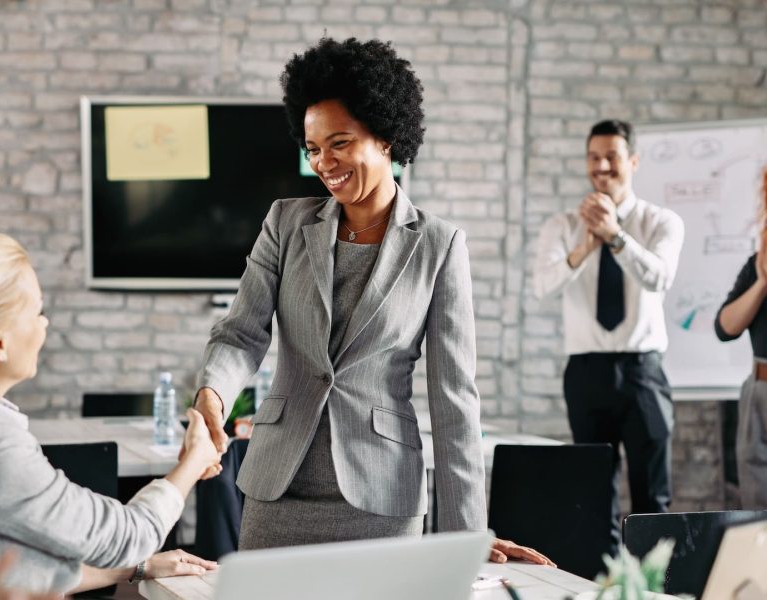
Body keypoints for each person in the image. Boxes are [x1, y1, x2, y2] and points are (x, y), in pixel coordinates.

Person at [191, 37, 552, 566]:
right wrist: (212, 395)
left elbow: (455, 400)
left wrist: (466, 535)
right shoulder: (286, 224)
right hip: (278, 490)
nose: (323, 162)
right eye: (313, 148)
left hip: (381, 495)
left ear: (385, 138)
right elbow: (242, 332)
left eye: (339, 143)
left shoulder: (438, 245)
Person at [0, 232, 221, 595]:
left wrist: (135, 568)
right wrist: (194, 461)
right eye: (37, 312)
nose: (45, 324)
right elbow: (132, 535)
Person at [533, 119, 685, 552]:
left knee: (652, 497)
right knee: (593, 496)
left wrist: (616, 236)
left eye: (612, 156)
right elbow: (543, 286)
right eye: (593, 157)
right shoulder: (562, 225)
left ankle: (653, 590)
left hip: (643, 372)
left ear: (632, 161)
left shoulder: (661, 221)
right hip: (586, 371)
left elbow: (660, 278)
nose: (601, 165)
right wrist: (585, 245)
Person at [715, 167, 767, 509]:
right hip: (758, 390)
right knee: (755, 504)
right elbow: (725, 327)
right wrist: (762, 282)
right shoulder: (756, 264)